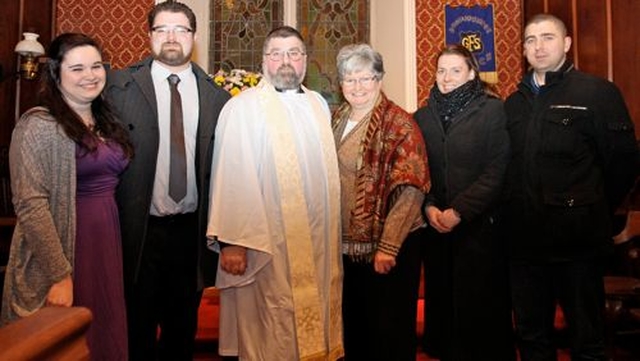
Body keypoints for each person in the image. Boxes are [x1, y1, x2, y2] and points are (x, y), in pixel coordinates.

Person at [503, 13, 638, 360]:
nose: (538, 46)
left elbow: (622, 164)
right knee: (532, 338)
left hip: (577, 242)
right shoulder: (513, 103)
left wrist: (591, 206)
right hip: (525, 244)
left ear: (566, 44)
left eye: (548, 37)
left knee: (586, 339)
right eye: (531, 40)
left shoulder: (597, 93)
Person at [206, 26, 343, 360]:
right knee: (271, 323)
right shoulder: (243, 108)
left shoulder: (317, 105)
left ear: (305, 61)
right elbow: (231, 175)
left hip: (319, 241)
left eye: (294, 53)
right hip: (266, 242)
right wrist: (234, 242)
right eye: (277, 54)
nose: (286, 62)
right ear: (263, 61)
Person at [104, 1, 231, 360]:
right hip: (137, 230)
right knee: (136, 328)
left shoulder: (216, 97)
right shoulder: (119, 87)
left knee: (181, 330)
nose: (171, 37)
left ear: (194, 37)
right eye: (162, 29)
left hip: (190, 233)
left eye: (180, 29)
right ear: (150, 36)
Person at [1, 33, 133, 360]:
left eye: (96, 66)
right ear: (56, 73)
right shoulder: (38, 125)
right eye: (77, 68)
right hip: (67, 247)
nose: (89, 75)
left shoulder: (105, 119)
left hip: (107, 242)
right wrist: (59, 274)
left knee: (105, 332)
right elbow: (31, 205)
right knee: (65, 342)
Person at [413, 44, 514, 361]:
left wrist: (459, 211)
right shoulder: (422, 116)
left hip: (479, 227)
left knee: (480, 310)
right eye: (441, 70)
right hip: (437, 229)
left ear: (472, 73)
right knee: (443, 307)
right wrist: (429, 207)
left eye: (455, 70)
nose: (446, 77)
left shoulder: (492, 110)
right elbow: (419, 171)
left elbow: (497, 170)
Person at [332, 43, 430, 361]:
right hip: (346, 247)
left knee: (387, 332)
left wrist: (388, 246)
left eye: (365, 78)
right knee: (355, 330)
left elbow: (411, 188)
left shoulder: (399, 125)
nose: (357, 86)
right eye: (350, 79)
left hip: (388, 248)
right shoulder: (336, 118)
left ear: (379, 79)